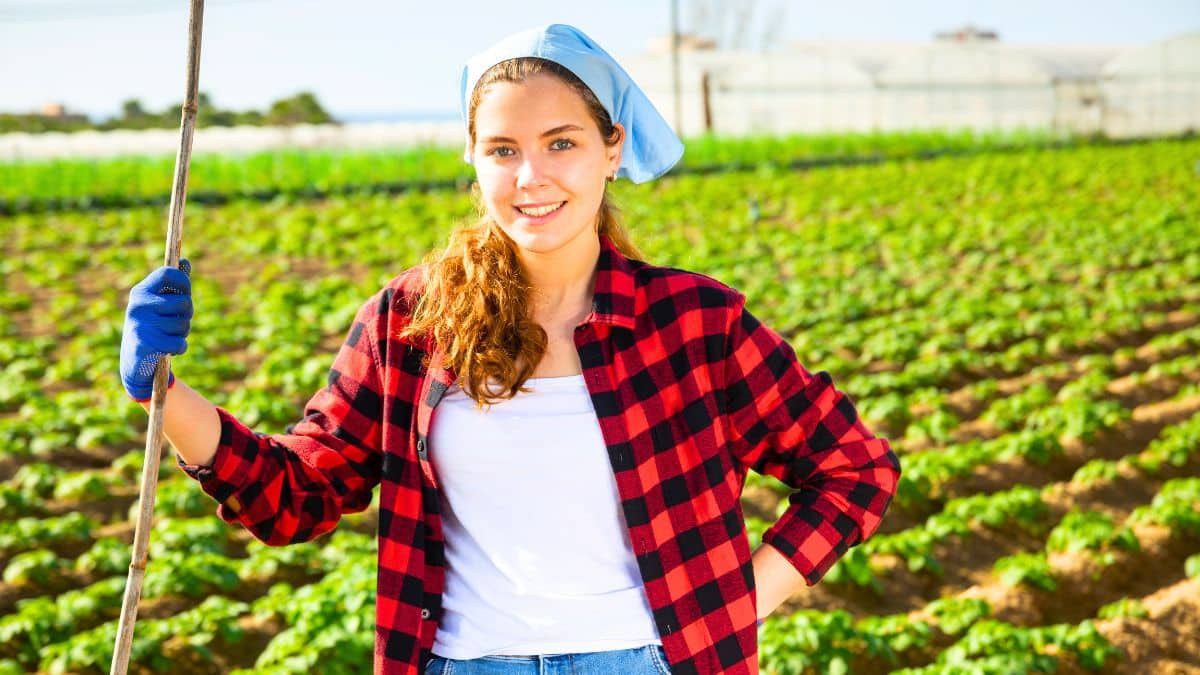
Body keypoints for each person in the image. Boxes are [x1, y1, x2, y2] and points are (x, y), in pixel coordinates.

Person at [119, 23, 900, 675]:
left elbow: (854, 468)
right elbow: (299, 494)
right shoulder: (412, 321)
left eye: (560, 143)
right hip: (465, 661)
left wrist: (735, 597)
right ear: (473, 158)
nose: (531, 176)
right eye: (502, 149)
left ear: (611, 148)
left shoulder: (694, 323)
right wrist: (167, 392)